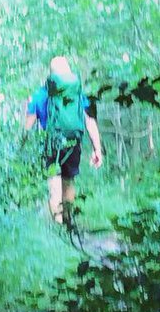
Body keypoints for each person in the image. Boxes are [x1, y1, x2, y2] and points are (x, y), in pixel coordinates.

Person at [23, 56, 103, 226]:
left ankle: (57, 225)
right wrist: (98, 150)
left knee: (53, 185)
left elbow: (28, 127)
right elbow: (89, 121)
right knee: (68, 181)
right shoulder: (76, 94)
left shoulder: (39, 95)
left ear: (50, 74)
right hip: (73, 143)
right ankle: (69, 224)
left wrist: (22, 147)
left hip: (51, 143)